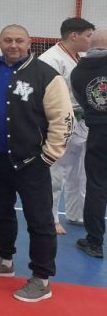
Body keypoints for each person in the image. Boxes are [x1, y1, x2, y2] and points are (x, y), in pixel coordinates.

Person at [0, 25, 73, 302]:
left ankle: (41, 279)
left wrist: (48, 157)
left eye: (19, 40)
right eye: (8, 40)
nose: (13, 45)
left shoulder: (46, 75)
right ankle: (5, 261)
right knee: (0, 213)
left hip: (31, 162)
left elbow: (64, 119)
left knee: (39, 221)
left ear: (30, 43)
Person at [38, 17, 94, 234]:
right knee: (56, 171)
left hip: (82, 120)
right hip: (60, 121)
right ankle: (49, 218)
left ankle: (76, 213)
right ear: (73, 35)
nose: (90, 40)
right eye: (88, 36)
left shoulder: (80, 57)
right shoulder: (50, 59)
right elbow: (45, 94)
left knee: (79, 171)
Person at [71, 29, 107, 258]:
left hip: (98, 133)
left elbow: (82, 102)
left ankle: (95, 242)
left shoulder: (78, 72)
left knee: (96, 186)